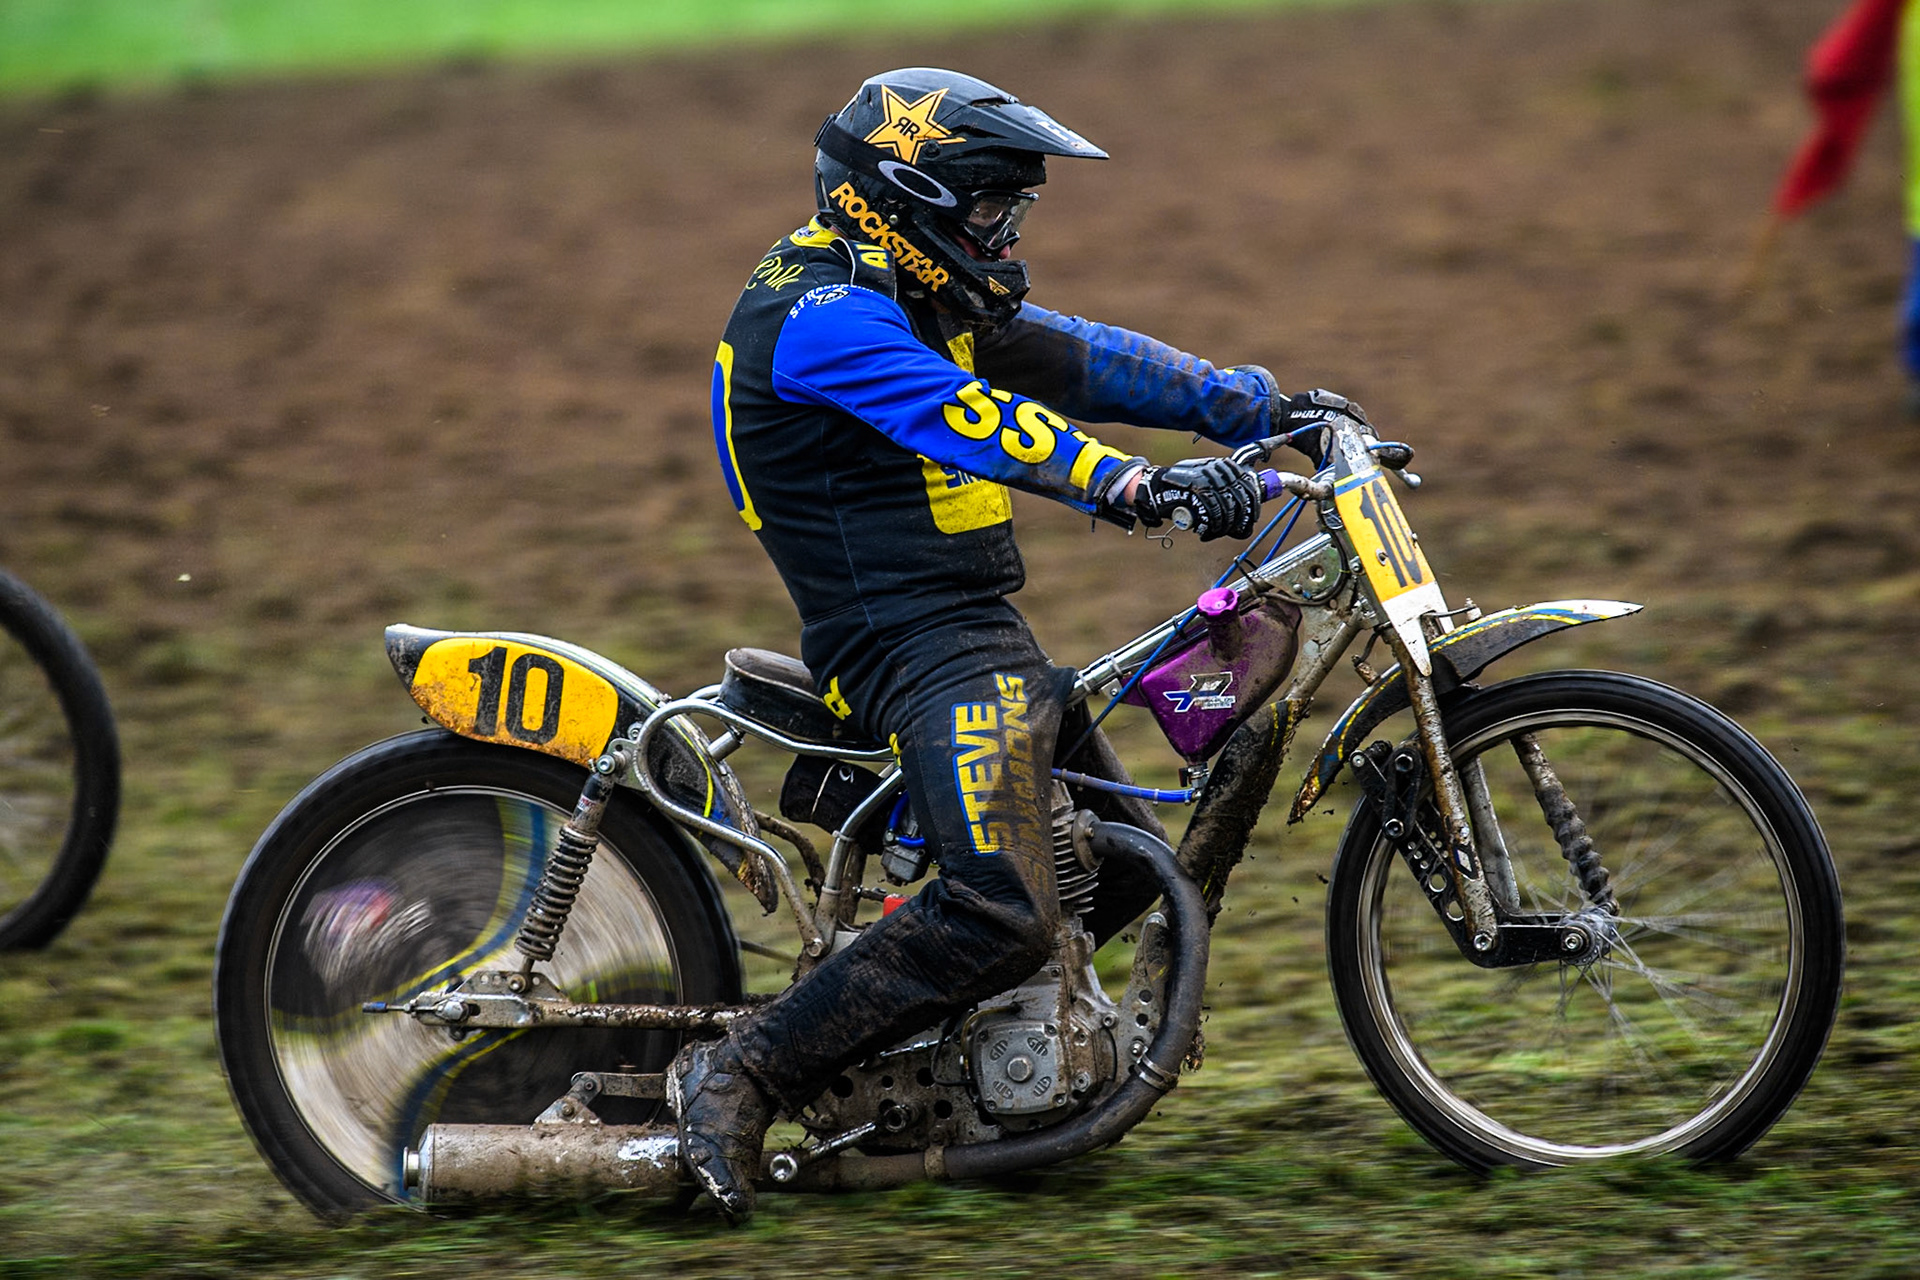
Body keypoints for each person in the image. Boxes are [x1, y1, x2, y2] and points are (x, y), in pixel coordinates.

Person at [675, 66, 1363, 1222]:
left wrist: (1267, 409)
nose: (1008, 232)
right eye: (993, 207)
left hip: (972, 627)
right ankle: (740, 1071)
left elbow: (1082, 358)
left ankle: (965, 1072)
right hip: (907, 643)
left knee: (1122, 865)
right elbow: (973, 417)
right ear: (907, 199)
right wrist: (1137, 485)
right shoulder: (822, 315)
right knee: (1003, 906)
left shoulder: (914, 285)